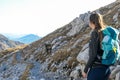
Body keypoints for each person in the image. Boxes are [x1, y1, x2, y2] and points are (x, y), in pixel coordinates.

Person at [82, 13, 111, 80]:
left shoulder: (95, 33)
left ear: (92, 22)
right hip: (106, 69)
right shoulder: (106, 32)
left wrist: (85, 70)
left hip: (97, 70)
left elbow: (93, 55)